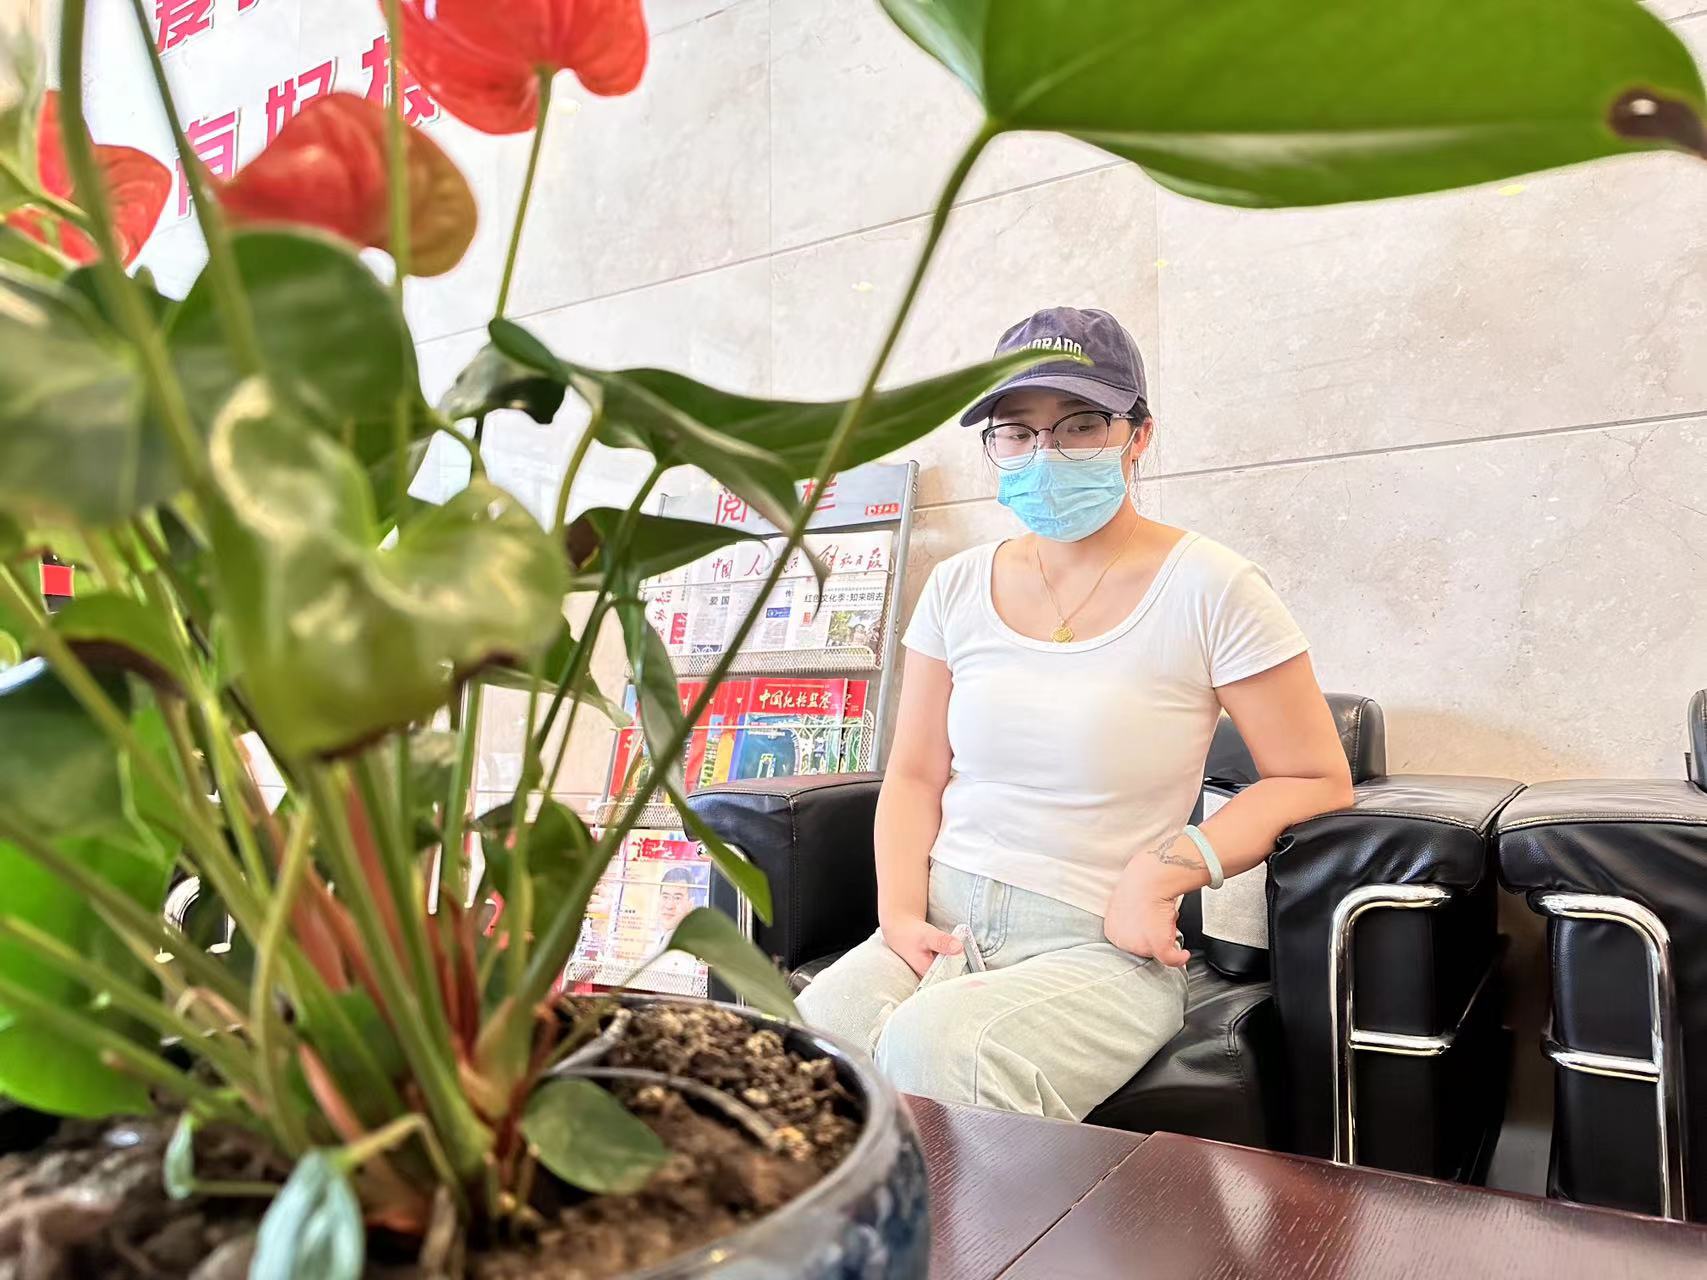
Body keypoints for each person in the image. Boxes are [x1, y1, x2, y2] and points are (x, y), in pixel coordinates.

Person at [797, 307, 1354, 1120]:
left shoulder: (1213, 586)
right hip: (943, 920)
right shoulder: (955, 587)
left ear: (1138, 435)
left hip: (1097, 944)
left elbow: (1312, 776)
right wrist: (899, 916)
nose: (1044, 452)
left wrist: (1165, 870)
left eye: (1080, 425)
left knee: (942, 1046)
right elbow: (915, 774)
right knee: (803, 1046)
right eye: (1015, 431)